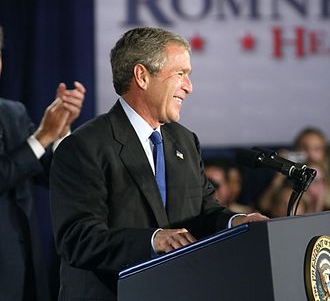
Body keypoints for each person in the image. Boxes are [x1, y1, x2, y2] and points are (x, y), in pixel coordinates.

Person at [50, 27, 267, 300]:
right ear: (142, 76)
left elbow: (205, 213)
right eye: (180, 74)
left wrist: (237, 222)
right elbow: (77, 239)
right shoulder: (84, 146)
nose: (189, 86)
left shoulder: (186, 142)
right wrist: (153, 241)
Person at [0, 26, 85, 301]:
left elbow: (51, 176)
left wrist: (60, 132)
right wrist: (42, 136)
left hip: (25, 268)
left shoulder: (13, 113)